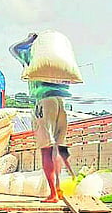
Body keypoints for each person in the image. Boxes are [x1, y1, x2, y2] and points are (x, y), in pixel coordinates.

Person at [9, 34, 76, 203]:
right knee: (59, 148)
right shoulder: (60, 57)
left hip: (44, 102)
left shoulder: (32, 55)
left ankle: (53, 193)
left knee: (46, 149)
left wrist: (30, 40)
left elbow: (13, 49)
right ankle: (60, 188)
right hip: (63, 103)